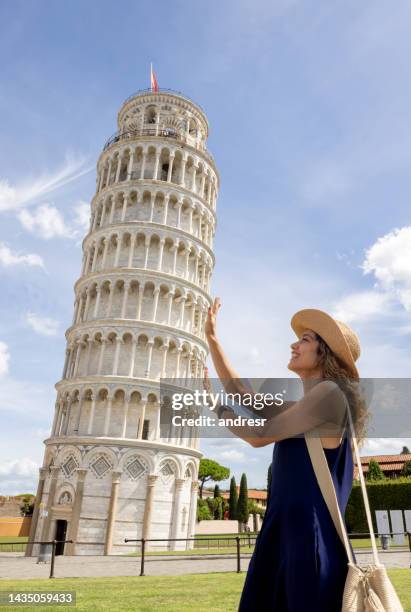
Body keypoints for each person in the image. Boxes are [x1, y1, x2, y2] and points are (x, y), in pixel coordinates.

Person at [204, 298, 368, 612]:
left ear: (325, 353)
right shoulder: (306, 407)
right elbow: (245, 396)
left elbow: (258, 435)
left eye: (305, 340)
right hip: (286, 534)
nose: (294, 344)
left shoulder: (329, 395)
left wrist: (216, 407)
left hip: (308, 541)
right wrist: (213, 339)